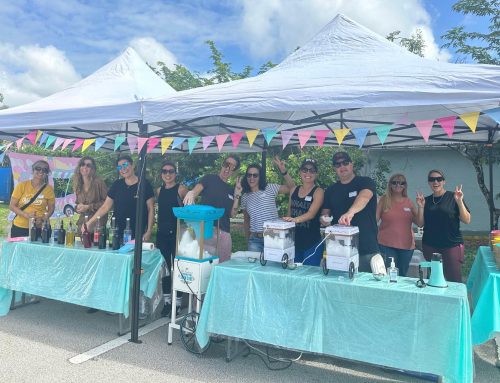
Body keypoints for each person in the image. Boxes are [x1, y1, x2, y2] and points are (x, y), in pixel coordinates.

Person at [321, 152, 379, 272]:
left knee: (365, 288)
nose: (342, 166)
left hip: (366, 249)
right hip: (339, 250)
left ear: (352, 164)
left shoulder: (365, 182)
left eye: (345, 163)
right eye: (337, 165)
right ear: (334, 169)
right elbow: (324, 213)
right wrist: (324, 219)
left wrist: (350, 212)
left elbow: (364, 197)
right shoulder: (331, 190)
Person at [183, 155, 241, 263]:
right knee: (204, 265)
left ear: (234, 172)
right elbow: (196, 191)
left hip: (224, 233)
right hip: (206, 230)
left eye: (232, 167)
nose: (227, 168)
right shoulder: (209, 178)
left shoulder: (231, 189)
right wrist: (191, 193)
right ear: (222, 165)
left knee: (223, 266)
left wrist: (237, 194)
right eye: (226, 164)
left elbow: (233, 214)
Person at [416, 169, 471, 283]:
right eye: (432, 179)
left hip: (451, 245)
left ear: (444, 181)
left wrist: (459, 201)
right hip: (430, 245)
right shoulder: (426, 200)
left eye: (439, 179)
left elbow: (467, 220)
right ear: (429, 183)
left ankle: (456, 300)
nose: (435, 182)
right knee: (432, 280)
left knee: (454, 280)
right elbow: (420, 223)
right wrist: (420, 207)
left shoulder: (454, 197)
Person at [84, 155, 155, 241]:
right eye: (119, 167)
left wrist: (149, 231)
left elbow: (151, 208)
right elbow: (105, 207)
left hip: (138, 233)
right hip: (116, 232)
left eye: (125, 165)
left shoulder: (144, 184)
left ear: (133, 165)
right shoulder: (117, 185)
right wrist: (89, 222)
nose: (123, 169)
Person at [240, 158, 294, 252]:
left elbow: (292, 188)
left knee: (274, 266)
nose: (251, 178)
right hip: (255, 240)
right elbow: (246, 220)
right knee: (254, 266)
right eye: (249, 175)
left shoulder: (269, 188)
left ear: (260, 176)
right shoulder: (245, 196)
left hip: (274, 237)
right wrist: (248, 239)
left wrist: (283, 171)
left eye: (255, 175)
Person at [156, 161, 188, 317]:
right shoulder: (159, 190)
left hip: (177, 234)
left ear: (175, 174)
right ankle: (167, 301)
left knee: (179, 268)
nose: (167, 174)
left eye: (170, 171)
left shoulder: (181, 189)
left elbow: (188, 210)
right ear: (161, 174)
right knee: (165, 269)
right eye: (164, 171)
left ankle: (179, 302)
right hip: (162, 233)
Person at [376, 173, 419, 276]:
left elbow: (420, 223)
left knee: (402, 275)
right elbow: (374, 220)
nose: (398, 185)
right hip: (386, 244)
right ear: (390, 185)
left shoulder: (409, 202)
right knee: (389, 274)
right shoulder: (384, 200)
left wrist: (421, 207)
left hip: (406, 246)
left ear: (405, 186)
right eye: (394, 182)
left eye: (401, 183)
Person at [283, 158, 324, 265]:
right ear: (300, 172)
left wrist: (295, 220)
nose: (308, 173)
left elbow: (311, 214)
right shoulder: (294, 190)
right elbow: (289, 212)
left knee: (309, 275)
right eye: (305, 170)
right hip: (294, 242)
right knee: (293, 274)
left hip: (312, 243)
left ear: (316, 174)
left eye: (312, 170)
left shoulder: (318, 191)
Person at [9, 160, 55, 238]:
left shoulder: (49, 189)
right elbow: (12, 206)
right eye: (38, 168)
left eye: (45, 170)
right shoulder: (22, 185)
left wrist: (43, 219)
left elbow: (52, 208)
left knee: (39, 250)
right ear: (33, 170)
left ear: (47, 173)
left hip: (41, 227)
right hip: (20, 226)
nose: (41, 171)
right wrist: (26, 215)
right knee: (19, 250)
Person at [72, 156, 108, 233]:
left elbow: (107, 203)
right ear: (79, 167)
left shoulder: (99, 182)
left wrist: (88, 207)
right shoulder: (78, 184)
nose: (85, 167)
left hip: (97, 226)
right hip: (82, 224)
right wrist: (78, 207)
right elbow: (78, 203)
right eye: (82, 164)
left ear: (93, 169)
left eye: (88, 165)